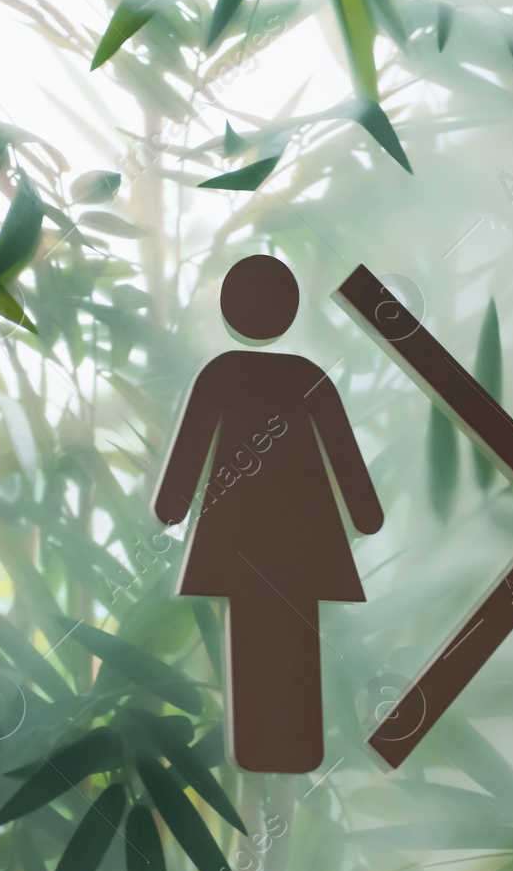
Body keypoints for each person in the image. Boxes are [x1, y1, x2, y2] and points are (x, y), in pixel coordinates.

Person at [153, 254, 383, 773]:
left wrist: (172, 506)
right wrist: (364, 513)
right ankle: (297, 745)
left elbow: (189, 452)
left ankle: (262, 746)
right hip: (304, 541)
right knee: (294, 638)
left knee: (254, 639)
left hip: (237, 540)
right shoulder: (307, 377)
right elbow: (345, 458)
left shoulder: (222, 373)